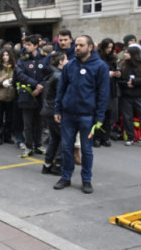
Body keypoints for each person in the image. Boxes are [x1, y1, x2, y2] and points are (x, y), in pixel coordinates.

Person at [53, 35, 109, 194]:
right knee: (66, 148)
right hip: (68, 115)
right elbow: (61, 89)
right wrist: (58, 109)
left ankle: (86, 180)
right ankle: (65, 177)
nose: (77, 48)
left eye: (81, 45)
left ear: (90, 47)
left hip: (88, 116)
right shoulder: (70, 65)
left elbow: (103, 94)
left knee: (87, 149)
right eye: (76, 45)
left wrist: (99, 117)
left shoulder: (100, 67)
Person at [15, 35, 48, 156]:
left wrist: (41, 86)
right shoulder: (22, 59)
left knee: (39, 122)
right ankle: (29, 146)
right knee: (28, 123)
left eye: (29, 44)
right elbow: (20, 74)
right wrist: (35, 84)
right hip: (27, 95)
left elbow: (48, 74)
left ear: (36, 46)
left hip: (41, 95)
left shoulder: (44, 58)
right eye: (25, 44)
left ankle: (38, 145)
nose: (25, 47)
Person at [41, 52, 67, 175]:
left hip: (48, 109)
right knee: (63, 137)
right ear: (60, 62)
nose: (68, 61)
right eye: (66, 59)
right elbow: (60, 95)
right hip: (54, 110)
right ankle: (58, 164)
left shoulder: (51, 74)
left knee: (55, 138)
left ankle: (48, 163)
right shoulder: (58, 75)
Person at [0, 47, 17, 145]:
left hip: (11, 96)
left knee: (9, 118)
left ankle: (8, 136)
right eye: (3, 55)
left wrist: (13, 82)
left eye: (7, 55)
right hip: (0, 96)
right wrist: (2, 79)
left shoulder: (14, 67)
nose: (5, 57)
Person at [96, 38, 120, 147]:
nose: (109, 50)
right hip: (100, 87)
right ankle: (97, 137)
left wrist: (118, 74)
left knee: (108, 114)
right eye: (108, 47)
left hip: (111, 87)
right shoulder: (97, 58)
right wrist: (107, 74)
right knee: (99, 113)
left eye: (111, 47)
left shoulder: (112, 58)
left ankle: (105, 137)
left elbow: (116, 69)